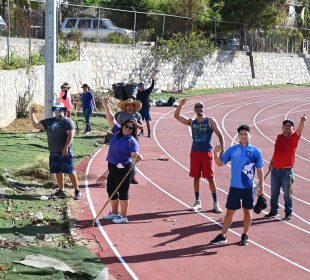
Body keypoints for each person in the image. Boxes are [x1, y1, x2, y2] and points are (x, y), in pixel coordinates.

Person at [210, 125, 264, 246]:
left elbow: (260, 170)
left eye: (246, 133)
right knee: (229, 212)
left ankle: (245, 235)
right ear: (238, 136)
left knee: (247, 212)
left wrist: (262, 186)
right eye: (241, 134)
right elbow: (219, 164)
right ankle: (223, 235)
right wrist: (215, 153)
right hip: (235, 187)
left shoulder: (256, 151)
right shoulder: (233, 150)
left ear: (250, 135)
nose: (243, 136)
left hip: (248, 188)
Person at [174, 98, 224, 213]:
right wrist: (180, 106)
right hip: (195, 152)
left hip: (206, 152)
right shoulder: (192, 121)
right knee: (196, 177)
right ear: (194, 110)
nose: (199, 110)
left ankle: (216, 203)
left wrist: (222, 149)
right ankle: (197, 201)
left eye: (201, 108)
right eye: (197, 109)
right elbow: (177, 116)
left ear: (203, 109)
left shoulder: (210, 121)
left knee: (210, 178)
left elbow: (220, 135)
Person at [101, 96, 143, 224]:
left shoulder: (132, 141)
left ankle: (124, 216)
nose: (127, 129)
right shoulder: (117, 131)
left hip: (125, 169)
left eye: (130, 128)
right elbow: (111, 118)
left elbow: (134, 155)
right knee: (111, 189)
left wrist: (137, 157)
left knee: (123, 192)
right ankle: (114, 212)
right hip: (112, 166)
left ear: (133, 130)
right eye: (126, 126)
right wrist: (106, 106)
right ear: (123, 125)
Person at [29, 101, 81, 200]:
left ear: (63, 110)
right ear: (54, 110)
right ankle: (61, 190)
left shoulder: (67, 121)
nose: (58, 111)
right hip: (54, 151)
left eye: (60, 109)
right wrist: (31, 114)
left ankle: (77, 190)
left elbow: (71, 135)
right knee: (58, 171)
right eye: (56, 109)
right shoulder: (49, 121)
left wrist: (66, 147)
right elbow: (36, 125)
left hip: (65, 152)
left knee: (70, 171)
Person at [265, 114, 307, 221]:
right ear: (282, 128)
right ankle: (274, 211)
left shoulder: (294, 137)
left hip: (287, 172)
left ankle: (288, 213)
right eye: (285, 125)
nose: (287, 127)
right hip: (275, 170)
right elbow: (276, 151)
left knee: (287, 195)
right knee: (274, 193)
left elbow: (299, 130)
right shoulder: (279, 137)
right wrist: (271, 162)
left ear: (293, 129)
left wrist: (302, 121)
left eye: (290, 126)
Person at [117, 98, 144, 184]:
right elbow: (117, 127)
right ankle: (119, 174)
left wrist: (136, 123)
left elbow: (142, 127)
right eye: (128, 106)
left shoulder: (137, 115)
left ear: (134, 107)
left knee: (134, 157)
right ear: (125, 107)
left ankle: (133, 175)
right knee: (121, 157)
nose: (129, 107)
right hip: (123, 138)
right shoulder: (121, 115)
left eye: (131, 106)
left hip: (134, 139)